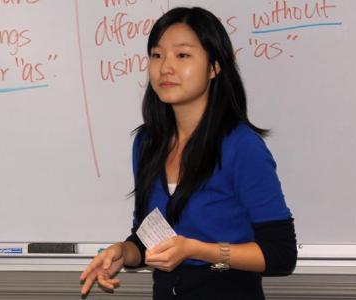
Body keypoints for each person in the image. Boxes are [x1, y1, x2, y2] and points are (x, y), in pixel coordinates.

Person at [79, 6, 297, 299]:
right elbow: (148, 238)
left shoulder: (240, 146)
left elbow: (280, 254)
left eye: (182, 55)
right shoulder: (147, 142)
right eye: (157, 55)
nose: (165, 67)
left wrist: (197, 250)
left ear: (214, 67)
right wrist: (123, 252)